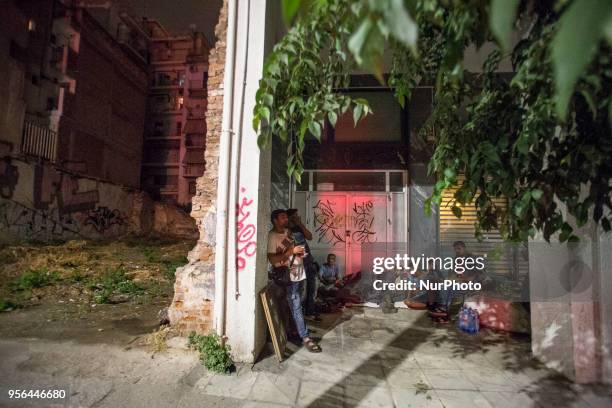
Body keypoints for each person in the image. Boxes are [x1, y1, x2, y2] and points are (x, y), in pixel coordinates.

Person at [267, 209, 322, 353]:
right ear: (275, 220)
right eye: (283, 217)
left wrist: (297, 252)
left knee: (294, 305)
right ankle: (305, 338)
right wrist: (291, 252)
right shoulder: (272, 236)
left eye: (286, 217)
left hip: (298, 273)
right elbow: (273, 259)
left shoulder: (288, 232)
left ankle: (294, 331)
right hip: (288, 276)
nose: (286, 220)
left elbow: (288, 248)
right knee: (296, 305)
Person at [286, 208, 320, 321]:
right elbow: (286, 245)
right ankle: (298, 315)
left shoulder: (298, 227)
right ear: (290, 217)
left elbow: (310, 236)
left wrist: (300, 224)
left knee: (312, 287)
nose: (298, 217)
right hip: (297, 263)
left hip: (308, 260)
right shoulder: (286, 230)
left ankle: (310, 311)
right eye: (296, 216)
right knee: (300, 290)